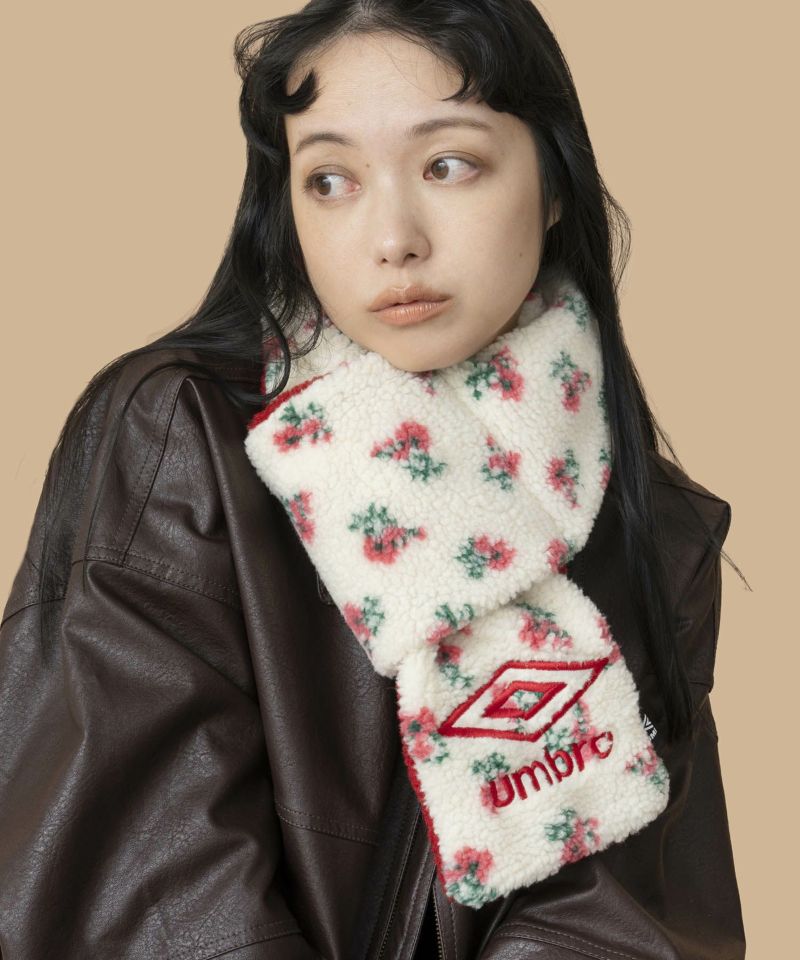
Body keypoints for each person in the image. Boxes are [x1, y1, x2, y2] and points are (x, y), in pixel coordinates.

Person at [0, 1, 747, 958]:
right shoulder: (182, 433)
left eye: (448, 165)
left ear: (555, 184)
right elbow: (150, 879)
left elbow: (618, 921)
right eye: (331, 180)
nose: (393, 237)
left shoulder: (649, 527)